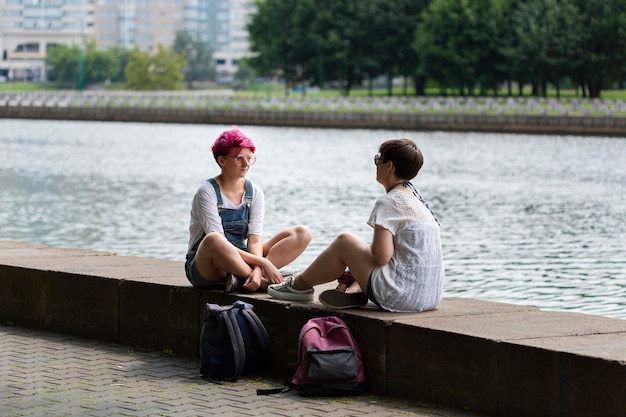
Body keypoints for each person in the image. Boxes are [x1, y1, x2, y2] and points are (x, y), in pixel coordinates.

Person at [268, 138, 444, 312]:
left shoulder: (389, 202)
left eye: (378, 160)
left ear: (389, 165)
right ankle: (355, 288)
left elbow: (381, 257)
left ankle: (299, 285)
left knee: (345, 241)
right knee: (359, 251)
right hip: (431, 297)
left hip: (401, 297)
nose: (376, 165)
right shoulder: (419, 203)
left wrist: (354, 260)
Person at [185, 127, 312, 292]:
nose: (246, 164)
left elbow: (254, 240)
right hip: (207, 266)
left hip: (243, 258)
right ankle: (267, 284)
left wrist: (258, 268)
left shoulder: (254, 192)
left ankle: (247, 278)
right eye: (239, 159)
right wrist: (264, 263)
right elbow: (220, 243)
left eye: (249, 158)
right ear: (222, 161)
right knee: (214, 239)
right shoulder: (207, 191)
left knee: (302, 233)